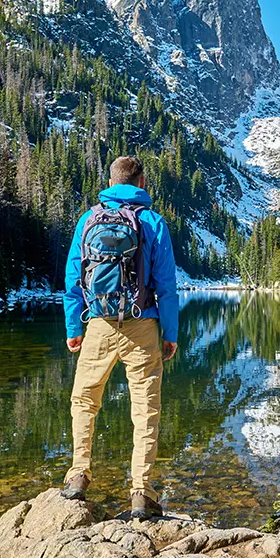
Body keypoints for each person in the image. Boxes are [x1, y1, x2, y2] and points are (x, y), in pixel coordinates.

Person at [61, 155, 179, 520]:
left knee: (84, 399)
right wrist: (170, 333)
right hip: (143, 324)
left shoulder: (88, 219)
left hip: (98, 324)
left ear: (111, 182)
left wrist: (73, 328)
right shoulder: (153, 222)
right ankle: (141, 492)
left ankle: (79, 475)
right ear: (141, 182)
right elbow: (167, 286)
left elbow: (72, 279)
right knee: (145, 409)